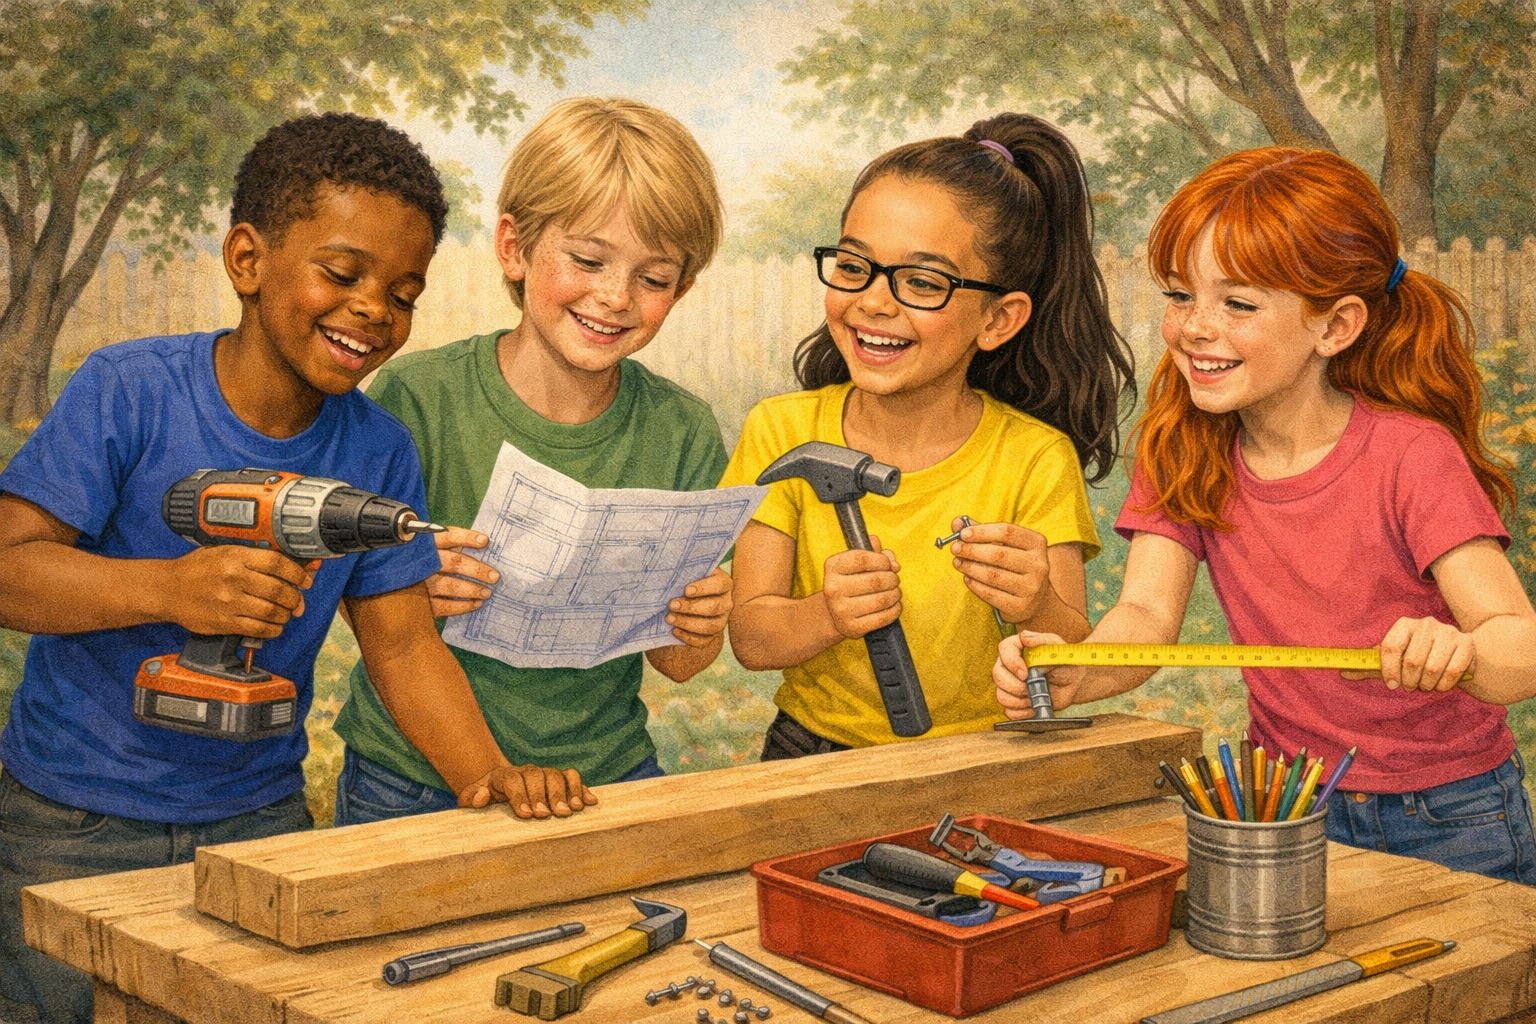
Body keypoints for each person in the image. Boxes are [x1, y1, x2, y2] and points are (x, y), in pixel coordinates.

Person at [0, 113, 600, 1024]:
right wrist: (168, 588)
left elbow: (403, 646)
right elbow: (9, 569)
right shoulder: (129, 389)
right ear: (248, 260)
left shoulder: (378, 449)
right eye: (343, 274)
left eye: (403, 293)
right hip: (73, 820)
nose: (374, 310)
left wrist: (488, 775)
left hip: (259, 821)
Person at [994, 147, 1536, 884]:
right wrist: (1075, 673)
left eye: (1238, 304)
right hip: (1284, 800)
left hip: (1449, 811)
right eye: (1180, 295)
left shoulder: (1413, 456)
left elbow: (1519, 645)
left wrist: (1462, 652)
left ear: (1335, 326)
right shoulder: (1182, 446)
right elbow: (1145, 618)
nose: (1194, 327)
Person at [330, 97, 733, 824]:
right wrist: (408, 591)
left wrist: (701, 623)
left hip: (605, 775)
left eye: (653, 278)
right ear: (514, 247)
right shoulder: (415, 397)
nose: (615, 296)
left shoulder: (683, 430)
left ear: (683, 289)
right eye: (588, 260)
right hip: (409, 778)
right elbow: (355, 601)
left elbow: (676, 663)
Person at [720, 113, 1134, 757]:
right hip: (811, 752)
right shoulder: (780, 429)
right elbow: (751, 639)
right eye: (853, 266)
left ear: (998, 319)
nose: (874, 302)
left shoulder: (1035, 458)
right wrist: (826, 613)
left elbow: (1069, 655)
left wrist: (1036, 605)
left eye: (922, 282)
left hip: (983, 759)